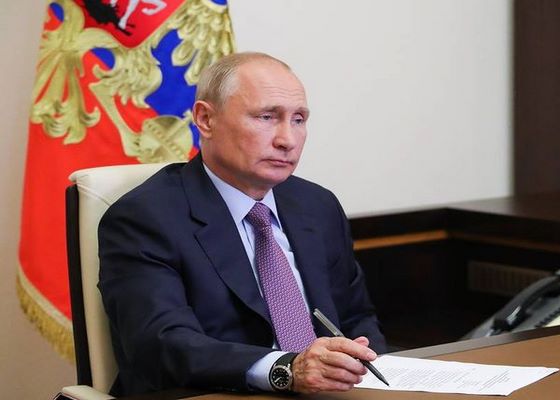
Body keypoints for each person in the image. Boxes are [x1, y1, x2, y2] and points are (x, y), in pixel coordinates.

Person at [97, 52, 386, 396]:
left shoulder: (316, 205)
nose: (287, 139)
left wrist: (369, 366)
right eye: (267, 117)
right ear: (205, 119)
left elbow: (356, 318)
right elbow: (162, 345)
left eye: (298, 119)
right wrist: (286, 369)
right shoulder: (145, 217)